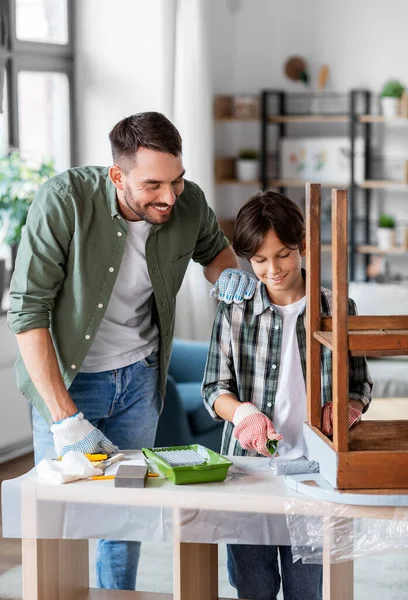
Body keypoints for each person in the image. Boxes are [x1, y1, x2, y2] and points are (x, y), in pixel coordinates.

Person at [7, 111, 257, 591]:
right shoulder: (64, 202)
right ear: (117, 175)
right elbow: (28, 312)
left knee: (124, 518)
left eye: (177, 181)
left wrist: (227, 273)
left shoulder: (188, 203)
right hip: (66, 383)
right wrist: (65, 419)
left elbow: (217, 253)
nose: (169, 197)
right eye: (153, 185)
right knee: (56, 520)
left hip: (140, 380)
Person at [202, 190, 372, 600]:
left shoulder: (337, 306)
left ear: (303, 246)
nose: (272, 269)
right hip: (249, 473)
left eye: (283, 254)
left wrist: (347, 408)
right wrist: (242, 413)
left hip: (314, 475)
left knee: (306, 591)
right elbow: (213, 388)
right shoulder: (236, 309)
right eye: (258, 259)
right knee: (253, 588)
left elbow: (360, 384)